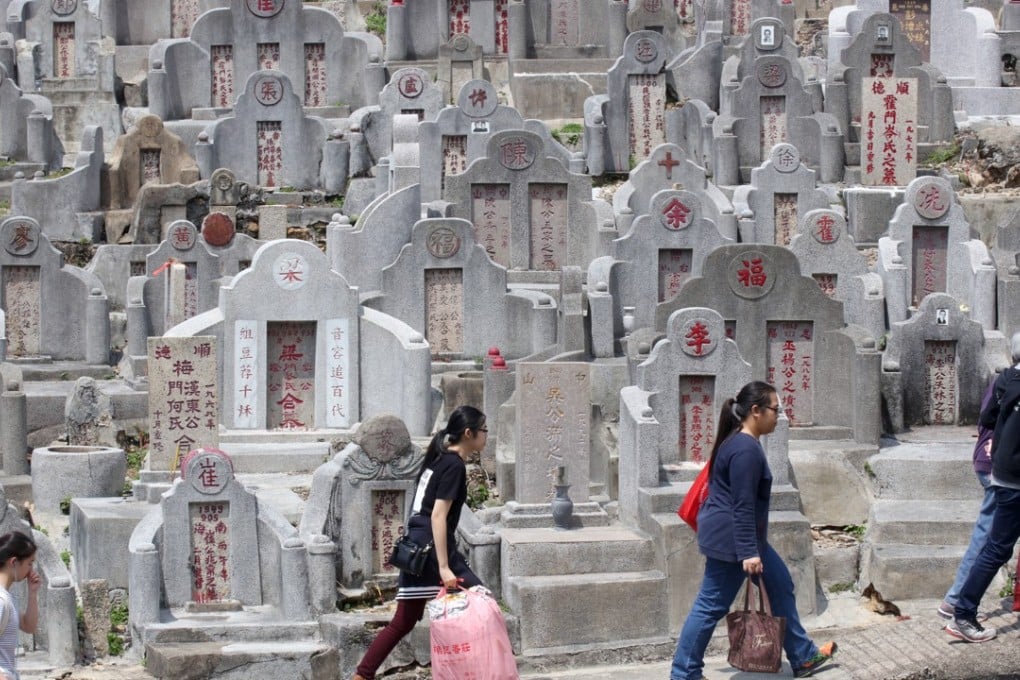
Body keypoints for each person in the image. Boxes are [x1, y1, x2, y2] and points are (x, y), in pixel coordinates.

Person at [670, 381, 837, 680]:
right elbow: (742, 505)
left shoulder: (741, 442)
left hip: (745, 539)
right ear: (756, 411)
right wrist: (748, 551)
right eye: (776, 409)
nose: (779, 415)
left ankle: (802, 656)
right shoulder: (745, 449)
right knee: (710, 606)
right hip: (733, 542)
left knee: (781, 585)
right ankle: (684, 673)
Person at [353, 406, 488, 680]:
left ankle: (362, 675)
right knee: (482, 604)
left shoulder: (438, 460)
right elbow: (437, 515)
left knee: (403, 621)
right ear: (468, 433)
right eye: (484, 430)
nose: (487, 436)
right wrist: (444, 567)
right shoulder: (453, 465)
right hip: (430, 550)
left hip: (418, 546)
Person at [947, 333, 1020, 643]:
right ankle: (962, 612)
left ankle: (960, 608)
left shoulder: (1006, 379)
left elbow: (988, 416)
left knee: (995, 547)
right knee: (997, 548)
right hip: (1016, 480)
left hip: (1004, 474)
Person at [937, 379, 997, 619]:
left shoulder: (1001, 382)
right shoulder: (1013, 382)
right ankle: (956, 601)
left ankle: (956, 600)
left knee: (989, 535)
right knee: (988, 537)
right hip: (999, 468)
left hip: (988, 461)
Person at [0, 531, 40, 680]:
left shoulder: (7, 597)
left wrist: (33, 592)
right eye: (29, 563)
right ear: (14, 562)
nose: (31, 569)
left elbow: (28, 626)